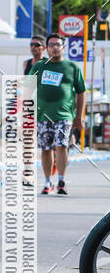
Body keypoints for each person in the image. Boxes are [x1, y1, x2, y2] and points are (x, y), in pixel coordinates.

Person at [28, 32, 85, 196]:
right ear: (46, 48)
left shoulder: (72, 67)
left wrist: (79, 117)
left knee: (61, 145)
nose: (54, 47)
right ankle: (47, 182)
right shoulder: (39, 67)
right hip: (42, 116)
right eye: (51, 45)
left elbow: (81, 92)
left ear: (63, 47)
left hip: (64, 115)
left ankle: (61, 180)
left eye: (57, 44)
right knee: (45, 149)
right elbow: (27, 90)